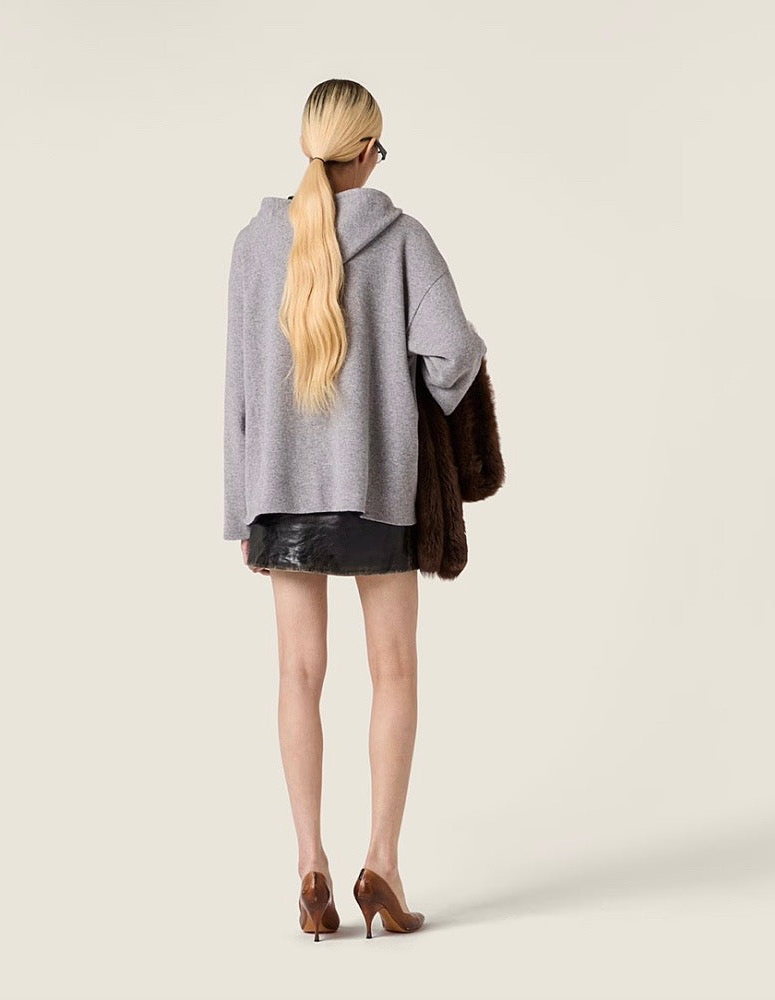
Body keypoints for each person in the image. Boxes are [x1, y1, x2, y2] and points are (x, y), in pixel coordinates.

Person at [222, 78, 487, 940]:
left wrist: (244, 510)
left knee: (298, 675)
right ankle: (382, 864)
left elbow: (239, 391)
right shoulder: (402, 239)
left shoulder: (256, 246)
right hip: (379, 491)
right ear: (367, 150)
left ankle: (311, 867)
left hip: (279, 497)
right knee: (394, 672)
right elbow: (454, 354)